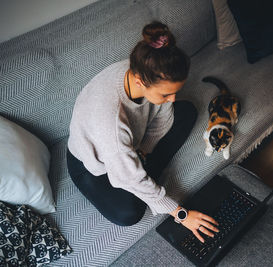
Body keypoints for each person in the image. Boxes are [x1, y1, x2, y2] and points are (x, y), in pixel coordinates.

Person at [66, 21, 218, 243]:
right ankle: (139, 175)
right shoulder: (109, 122)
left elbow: (164, 114)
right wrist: (181, 214)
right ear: (140, 82)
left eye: (175, 92)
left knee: (185, 111)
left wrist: (144, 150)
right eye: (166, 94)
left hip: (130, 144)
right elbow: (121, 154)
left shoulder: (143, 66)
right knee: (129, 213)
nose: (171, 98)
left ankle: (140, 168)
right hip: (92, 164)